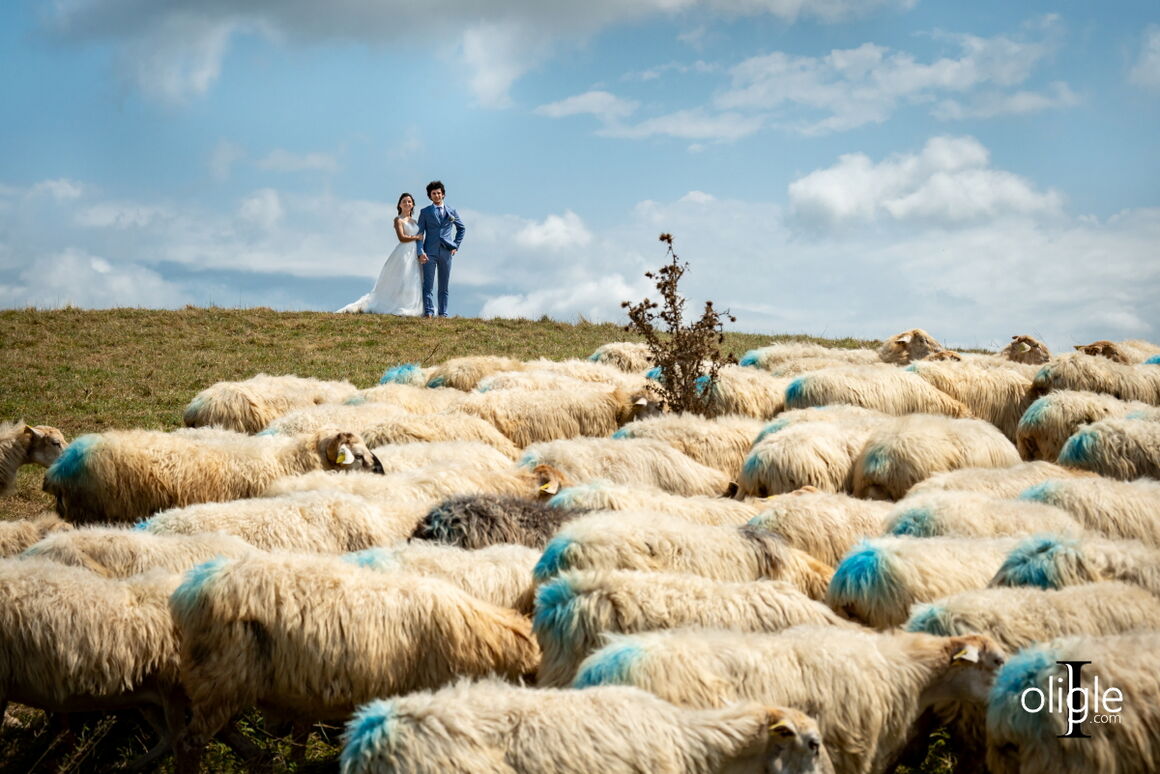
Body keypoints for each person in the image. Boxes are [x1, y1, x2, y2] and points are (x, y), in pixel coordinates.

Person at [336, 192, 425, 315]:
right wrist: (416, 237)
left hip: (414, 253)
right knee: (403, 278)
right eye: (404, 201)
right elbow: (402, 238)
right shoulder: (398, 220)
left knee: (414, 279)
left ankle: (412, 305)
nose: (407, 203)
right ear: (399, 205)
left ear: (413, 204)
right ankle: (397, 305)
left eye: (409, 201)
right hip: (404, 252)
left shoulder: (415, 222)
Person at [415, 180, 466, 318]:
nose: (436, 195)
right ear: (429, 196)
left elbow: (461, 228)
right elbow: (420, 234)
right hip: (429, 252)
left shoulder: (452, 211)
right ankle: (429, 312)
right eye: (433, 193)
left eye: (439, 193)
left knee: (444, 286)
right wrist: (420, 251)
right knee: (428, 285)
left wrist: (456, 245)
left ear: (443, 194)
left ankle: (443, 313)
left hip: (446, 252)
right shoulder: (425, 212)